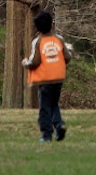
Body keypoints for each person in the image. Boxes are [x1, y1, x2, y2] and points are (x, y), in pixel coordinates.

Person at [23, 11, 71, 143]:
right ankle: (59, 125)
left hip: (45, 79)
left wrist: (25, 63)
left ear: (37, 27)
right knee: (53, 104)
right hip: (58, 77)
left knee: (44, 107)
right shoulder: (59, 39)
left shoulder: (37, 41)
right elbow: (67, 57)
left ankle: (46, 134)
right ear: (51, 25)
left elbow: (35, 61)